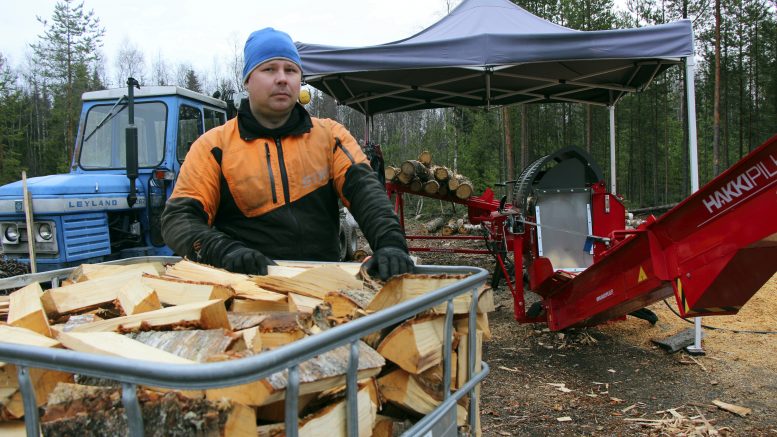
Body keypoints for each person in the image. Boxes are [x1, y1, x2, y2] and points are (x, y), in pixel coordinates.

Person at [161, 28, 413, 280]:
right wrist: (223, 251)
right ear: (247, 79)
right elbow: (179, 219)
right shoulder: (213, 147)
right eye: (269, 69)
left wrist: (390, 243)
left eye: (290, 70)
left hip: (321, 286)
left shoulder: (329, 136)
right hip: (244, 288)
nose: (282, 78)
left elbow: (366, 193)